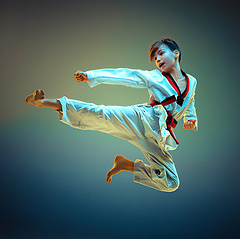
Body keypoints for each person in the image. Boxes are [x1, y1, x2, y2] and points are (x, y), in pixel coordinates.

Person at [25, 38, 198, 192]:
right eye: (155, 58)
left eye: (160, 54)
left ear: (176, 53)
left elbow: (189, 102)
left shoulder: (192, 81)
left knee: (171, 182)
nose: (158, 60)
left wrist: (191, 119)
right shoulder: (154, 77)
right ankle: (44, 102)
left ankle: (125, 164)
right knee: (102, 114)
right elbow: (125, 75)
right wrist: (92, 76)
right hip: (142, 118)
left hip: (158, 136)